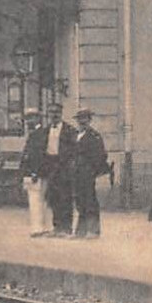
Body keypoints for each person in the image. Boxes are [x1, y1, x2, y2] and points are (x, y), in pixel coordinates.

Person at [40, 102, 78, 237]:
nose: (53, 115)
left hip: (64, 167)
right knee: (53, 197)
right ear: (48, 114)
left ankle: (66, 228)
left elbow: (74, 150)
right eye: (51, 112)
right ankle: (57, 227)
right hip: (50, 166)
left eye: (56, 112)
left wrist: (69, 165)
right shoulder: (45, 131)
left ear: (61, 114)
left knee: (65, 197)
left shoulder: (70, 131)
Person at [72, 108, 109, 238]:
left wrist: (93, 170)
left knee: (90, 200)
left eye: (85, 118)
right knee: (79, 201)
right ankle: (80, 231)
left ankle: (93, 230)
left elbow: (101, 155)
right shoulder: (74, 135)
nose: (82, 121)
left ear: (89, 120)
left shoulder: (94, 136)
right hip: (76, 172)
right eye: (80, 119)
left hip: (87, 172)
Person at [18, 109, 52, 237]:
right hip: (32, 172)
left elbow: (39, 155)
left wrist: (34, 172)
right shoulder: (34, 134)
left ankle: (38, 228)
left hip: (36, 173)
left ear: (38, 119)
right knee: (35, 200)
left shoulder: (41, 134)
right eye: (27, 119)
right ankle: (39, 227)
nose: (28, 122)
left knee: (37, 200)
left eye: (30, 119)